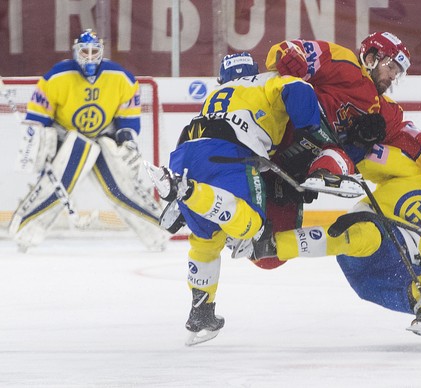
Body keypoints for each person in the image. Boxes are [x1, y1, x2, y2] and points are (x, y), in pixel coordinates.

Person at [148, 52, 364, 346]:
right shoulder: (267, 80)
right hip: (230, 155)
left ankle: (201, 310)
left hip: (184, 155)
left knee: (205, 239)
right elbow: (298, 89)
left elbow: (193, 135)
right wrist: (313, 131)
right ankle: (188, 191)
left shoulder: (216, 94)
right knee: (252, 226)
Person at [252, 135, 421, 343]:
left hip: (395, 275)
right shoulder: (411, 170)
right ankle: (272, 245)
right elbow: (363, 162)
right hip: (368, 243)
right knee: (364, 234)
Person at [9, 29, 168, 252]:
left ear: (102, 52)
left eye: (95, 51)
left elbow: (128, 120)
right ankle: (25, 232)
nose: (90, 56)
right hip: (68, 139)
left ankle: (158, 233)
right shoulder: (57, 76)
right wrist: (43, 145)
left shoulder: (120, 77)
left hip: (104, 137)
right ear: (76, 52)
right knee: (57, 184)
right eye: (85, 51)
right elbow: (38, 119)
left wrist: (127, 142)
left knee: (120, 187)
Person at [266, 32, 421, 194]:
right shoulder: (343, 61)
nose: (393, 76)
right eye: (390, 66)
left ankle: (324, 173)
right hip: (273, 135)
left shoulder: (388, 111)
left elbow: (419, 147)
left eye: (397, 72)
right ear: (371, 57)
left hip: (293, 169)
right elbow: (289, 49)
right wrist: (288, 56)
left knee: (273, 239)